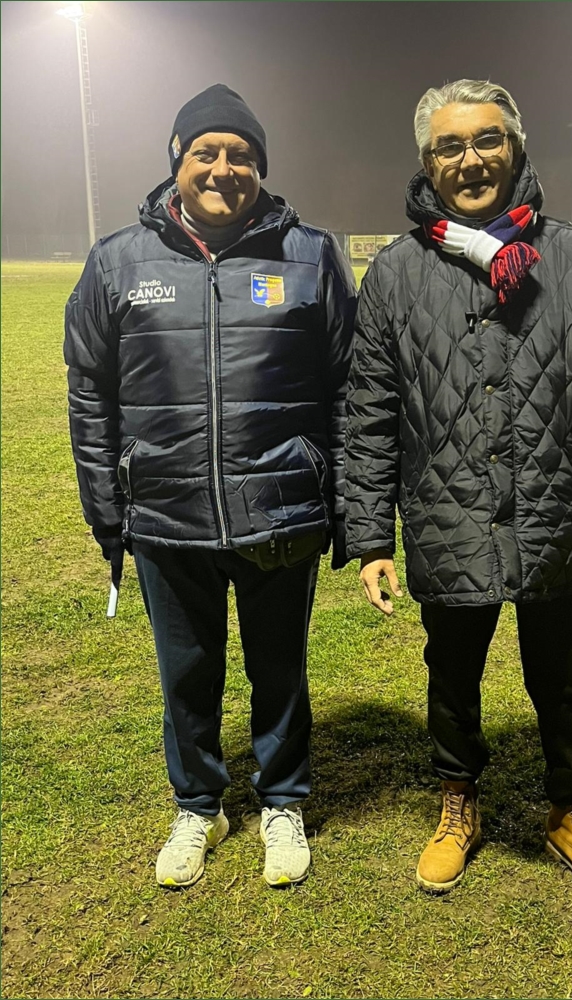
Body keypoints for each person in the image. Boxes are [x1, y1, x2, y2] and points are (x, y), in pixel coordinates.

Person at [345, 79, 572, 903]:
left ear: (515, 149)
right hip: (446, 516)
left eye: (488, 139)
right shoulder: (395, 273)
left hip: (558, 515)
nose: (471, 159)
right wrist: (370, 537)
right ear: (428, 163)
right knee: (451, 677)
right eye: (449, 146)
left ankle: (570, 811)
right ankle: (458, 801)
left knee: (566, 679)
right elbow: (368, 413)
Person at [64, 84, 356, 889]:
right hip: (165, 512)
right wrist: (107, 510)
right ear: (177, 160)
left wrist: (342, 503)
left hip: (281, 511)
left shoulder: (311, 255)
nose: (223, 168)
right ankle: (198, 804)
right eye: (207, 152)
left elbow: (348, 385)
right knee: (185, 676)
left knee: (279, 670)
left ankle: (283, 801)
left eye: (241, 155)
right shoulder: (116, 261)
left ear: (260, 167)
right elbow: (90, 393)